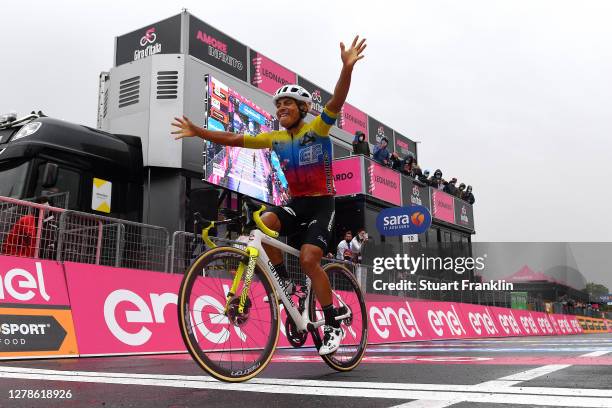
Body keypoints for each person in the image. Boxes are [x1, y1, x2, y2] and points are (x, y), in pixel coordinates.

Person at [172, 35, 367, 355]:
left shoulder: (316, 128)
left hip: (322, 204)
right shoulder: (275, 137)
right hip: (296, 203)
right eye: (278, 105)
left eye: (287, 104)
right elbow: (234, 138)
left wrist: (346, 69)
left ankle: (333, 319)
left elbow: (337, 101)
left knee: (309, 258)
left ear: (303, 108)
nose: (281, 108)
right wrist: (199, 131)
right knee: (262, 223)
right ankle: (285, 285)